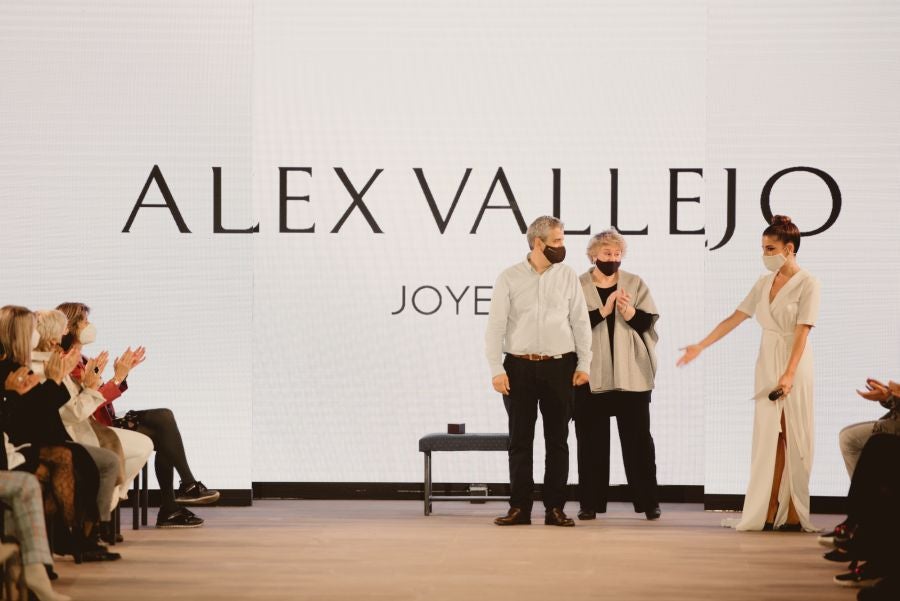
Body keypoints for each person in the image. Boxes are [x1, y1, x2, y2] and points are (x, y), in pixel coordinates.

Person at [677, 215, 820, 531]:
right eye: (763, 249)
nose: (765, 254)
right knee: (770, 437)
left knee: (794, 435)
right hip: (767, 359)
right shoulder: (763, 283)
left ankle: (794, 510)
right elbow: (735, 318)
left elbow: (802, 332)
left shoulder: (808, 283)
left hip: (793, 362)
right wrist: (700, 346)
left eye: (771, 248)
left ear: (790, 248)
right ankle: (768, 508)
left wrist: (789, 374)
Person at [56, 302, 219, 529]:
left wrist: (119, 377)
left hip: (102, 420)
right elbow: (89, 403)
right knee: (163, 425)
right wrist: (116, 379)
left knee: (164, 422)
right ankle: (179, 498)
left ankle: (177, 500)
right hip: (92, 427)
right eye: (84, 321)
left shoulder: (82, 358)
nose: (89, 325)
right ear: (70, 326)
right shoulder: (65, 362)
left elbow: (96, 395)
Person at [485, 216, 592, 527]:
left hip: (561, 366)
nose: (562, 246)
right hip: (518, 367)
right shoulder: (509, 277)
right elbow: (496, 326)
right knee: (520, 440)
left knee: (557, 439)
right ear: (538, 243)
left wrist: (584, 363)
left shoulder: (568, 275)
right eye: (557, 241)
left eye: (561, 240)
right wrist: (496, 369)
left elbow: (580, 322)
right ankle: (519, 507)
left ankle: (555, 508)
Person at [574, 228, 661, 521]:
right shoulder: (578, 285)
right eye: (607, 253)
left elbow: (649, 322)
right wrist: (604, 310)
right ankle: (589, 503)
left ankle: (649, 502)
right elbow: (569, 326)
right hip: (590, 377)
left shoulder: (635, 283)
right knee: (591, 443)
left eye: (617, 254)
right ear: (593, 255)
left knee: (639, 442)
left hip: (631, 377)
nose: (612, 258)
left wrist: (630, 314)